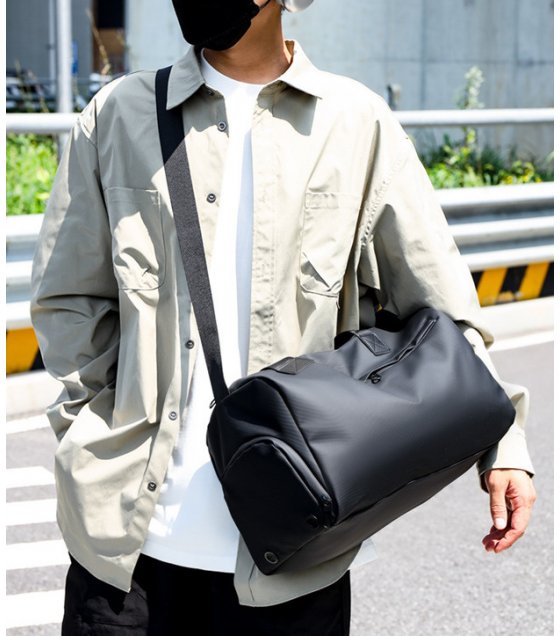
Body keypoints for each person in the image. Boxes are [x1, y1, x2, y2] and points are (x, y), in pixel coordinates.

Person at [30, 0, 537, 633]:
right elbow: (69, 300)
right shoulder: (117, 114)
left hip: (296, 555)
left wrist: (504, 446)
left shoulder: (356, 125)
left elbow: (440, 310)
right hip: (126, 559)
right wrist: (91, 433)